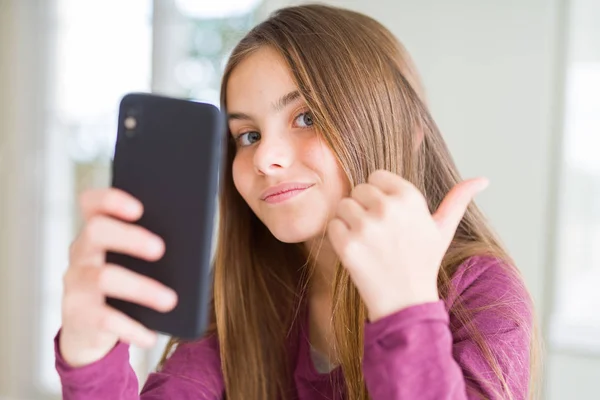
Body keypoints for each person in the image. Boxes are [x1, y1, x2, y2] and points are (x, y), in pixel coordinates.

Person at [55, 4, 538, 399]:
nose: (265, 158)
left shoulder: (480, 294)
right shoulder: (250, 297)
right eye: (247, 134)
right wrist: (89, 357)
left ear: (403, 131)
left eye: (306, 118)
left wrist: (405, 312)